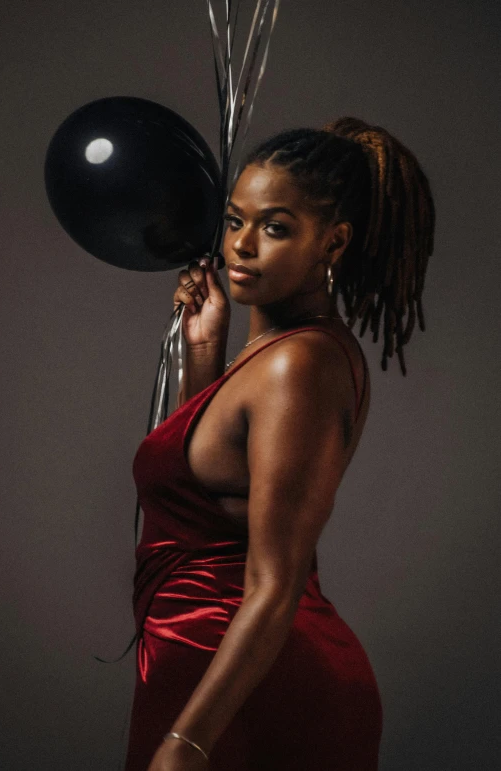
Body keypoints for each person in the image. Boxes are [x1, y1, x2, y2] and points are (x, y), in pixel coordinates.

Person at [124, 117, 435, 771]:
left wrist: (188, 742)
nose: (240, 246)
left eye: (274, 226)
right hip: (205, 671)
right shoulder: (270, 356)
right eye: (234, 220)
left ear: (333, 241)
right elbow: (202, 502)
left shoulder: (300, 367)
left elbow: (274, 580)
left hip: (249, 694)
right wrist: (205, 349)